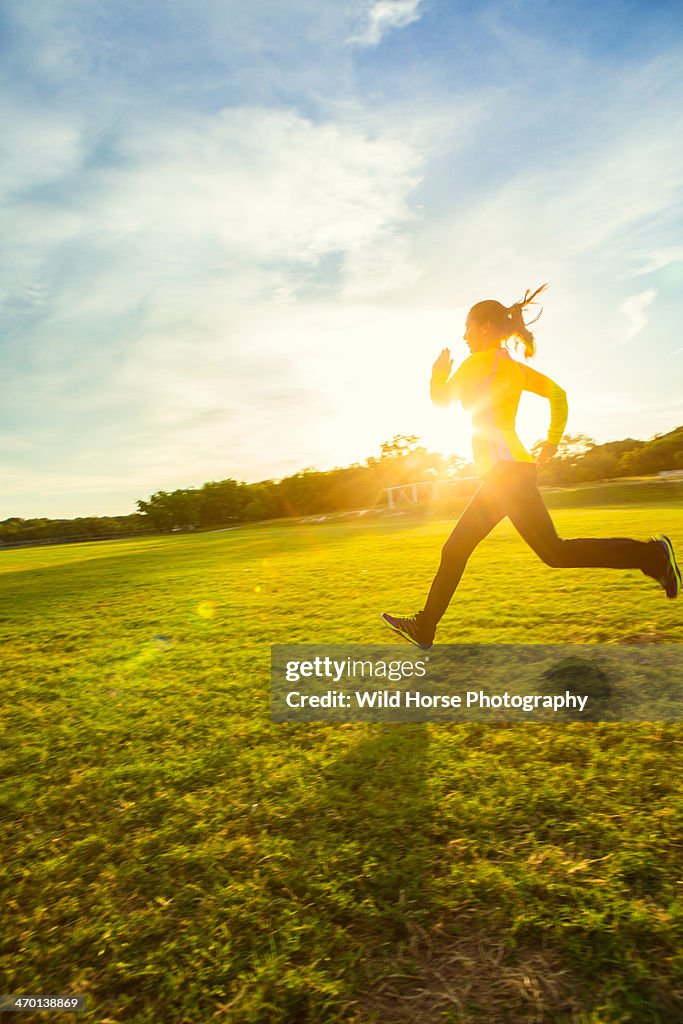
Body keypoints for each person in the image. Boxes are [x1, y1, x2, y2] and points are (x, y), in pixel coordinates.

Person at [381, 284, 681, 650]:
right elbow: (559, 394)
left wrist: (436, 372)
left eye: (468, 327)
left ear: (486, 328)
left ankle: (652, 555)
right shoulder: (513, 367)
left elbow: (440, 401)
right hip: (507, 473)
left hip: (506, 474)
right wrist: (552, 439)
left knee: (551, 552)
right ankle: (425, 628)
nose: (464, 335)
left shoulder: (477, 363)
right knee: (465, 549)